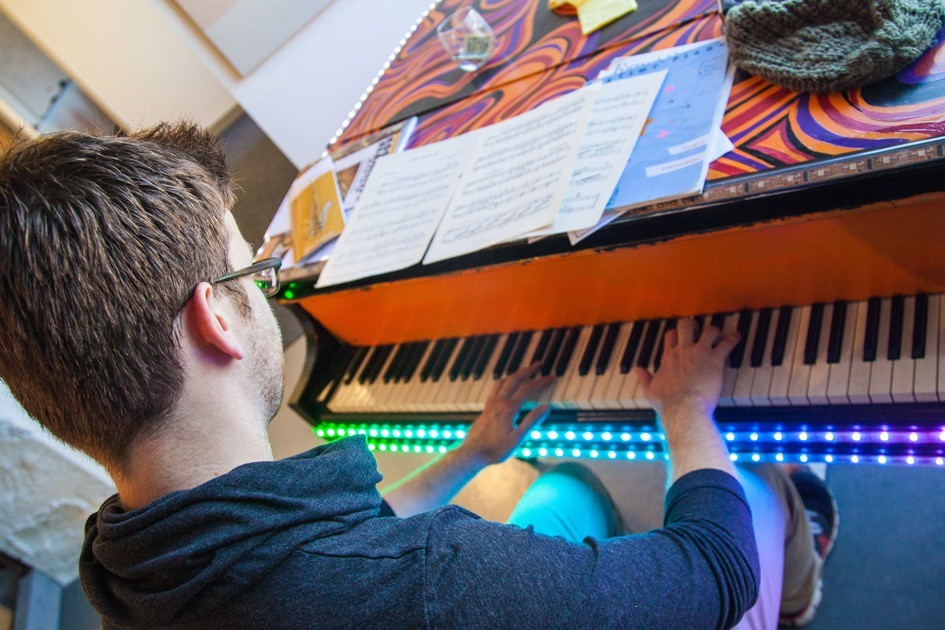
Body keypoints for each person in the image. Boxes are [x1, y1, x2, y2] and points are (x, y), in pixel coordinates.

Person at [0, 125, 836, 629]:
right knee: (762, 493)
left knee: (569, 485)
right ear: (213, 319)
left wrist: (471, 452)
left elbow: (323, 550)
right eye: (250, 277)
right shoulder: (434, 586)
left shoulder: (123, 565)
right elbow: (715, 576)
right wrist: (684, 407)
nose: (264, 296)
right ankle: (807, 585)